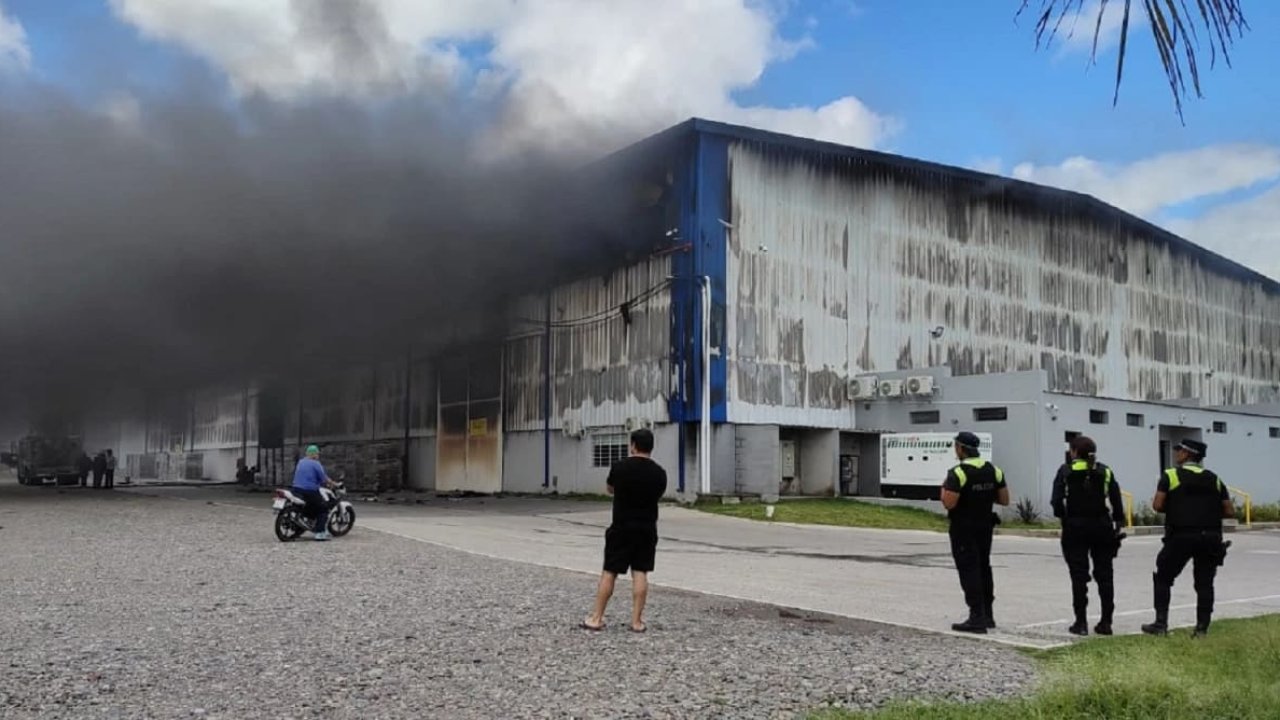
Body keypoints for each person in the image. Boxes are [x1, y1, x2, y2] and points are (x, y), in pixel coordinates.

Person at [1142, 439, 1234, 637]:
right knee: (1204, 583)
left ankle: (1160, 624)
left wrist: (1180, 508)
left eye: (1180, 451)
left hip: (1181, 535)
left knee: (1164, 577)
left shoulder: (1171, 475)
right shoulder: (1214, 478)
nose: (1177, 454)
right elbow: (1229, 510)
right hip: (1210, 536)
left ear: (1187, 454)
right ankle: (1201, 629)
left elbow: (1158, 505)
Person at [581, 428, 668, 633]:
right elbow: (658, 494)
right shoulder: (659, 473)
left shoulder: (620, 467)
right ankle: (637, 622)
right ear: (651, 447)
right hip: (646, 528)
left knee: (610, 572)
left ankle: (596, 618)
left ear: (633, 445)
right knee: (640, 573)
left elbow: (610, 488)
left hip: (621, 527)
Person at [1051, 435, 1126, 636]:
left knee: (1078, 575)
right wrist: (1118, 523)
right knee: (1105, 574)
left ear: (1074, 451)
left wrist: (1063, 517)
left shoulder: (1065, 470)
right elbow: (1117, 501)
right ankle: (1106, 622)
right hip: (1101, 525)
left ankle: (1081, 623)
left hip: (1075, 526)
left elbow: (1056, 501)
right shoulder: (1104, 471)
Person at [941, 431, 1010, 634]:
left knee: (968, 569)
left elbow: (949, 503)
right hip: (985, 527)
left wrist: (944, 491)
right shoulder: (994, 470)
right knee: (983, 567)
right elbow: (1004, 499)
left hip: (964, 528)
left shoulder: (958, 473)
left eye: (956, 446)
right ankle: (987, 614)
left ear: (961, 448)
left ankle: (976, 617)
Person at [292, 445, 338, 541]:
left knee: (308, 507)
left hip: (296, 489)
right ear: (314, 454)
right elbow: (323, 478)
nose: (318, 455)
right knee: (323, 509)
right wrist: (332, 483)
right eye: (317, 453)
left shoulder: (301, 462)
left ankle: (303, 525)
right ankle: (320, 533)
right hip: (309, 490)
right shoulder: (316, 464)